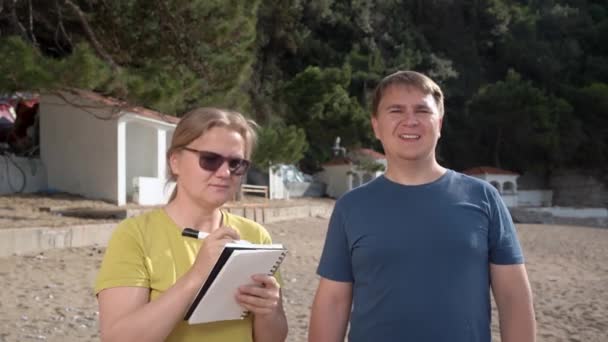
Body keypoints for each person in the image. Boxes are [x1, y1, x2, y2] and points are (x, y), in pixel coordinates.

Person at [308, 71, 536, 342]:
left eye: (421, 110)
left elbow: (514, 298)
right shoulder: (350, 207)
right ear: (376, 126)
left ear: (439, 123)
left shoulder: (483, 198)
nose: (410, 121)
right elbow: (333, 301)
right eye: (396, 110)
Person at [95, 108, 288, 342]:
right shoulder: (135, 235)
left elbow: (273, 338)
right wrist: (196, 276)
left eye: (236, 163)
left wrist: (270, 310)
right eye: (210, 159)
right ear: (175, 162)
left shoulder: (254, 235)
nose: (224, 172)